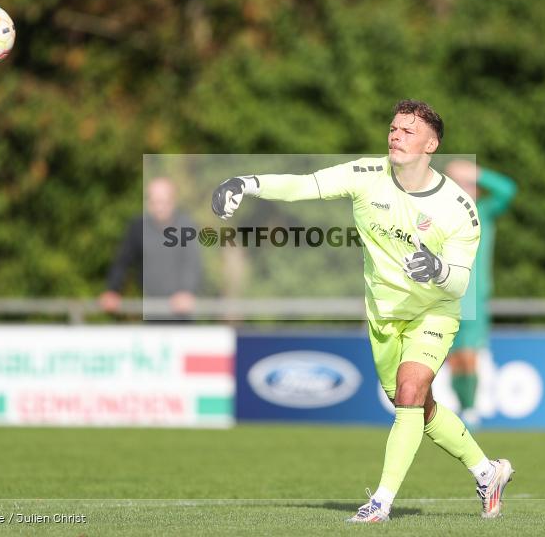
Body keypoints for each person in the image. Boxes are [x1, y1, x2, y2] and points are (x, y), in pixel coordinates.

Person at [211, 100, 513, 521]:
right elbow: (306, 185)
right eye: (393, 128)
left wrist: (439, 268)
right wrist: (247, 182)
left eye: (408, 131)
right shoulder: (367, 175)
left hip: (434, 314)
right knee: (416, 407)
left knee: (410, 393)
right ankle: (487, 471)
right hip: (383, 315)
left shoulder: (460, 207)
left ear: (432, 143)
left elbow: (461, 281)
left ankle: (380, 503)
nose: (395, 135)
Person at [443, 160, 516, 426]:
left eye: (471, 185)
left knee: (470, 353)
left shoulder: (483, 211)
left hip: (475, 295)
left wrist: (477, 172)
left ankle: (471, 409)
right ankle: (461, 405)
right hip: (445, 295)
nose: (467, 189)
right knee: (451, 356)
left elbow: (508, 190)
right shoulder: (442, 214)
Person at [100, 178, 202, 319]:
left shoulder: (186, 226)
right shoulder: (138, 227)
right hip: (151, 310)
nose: (159, 207)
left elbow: (191, 262)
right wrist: (113, 290)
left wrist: (186, 291)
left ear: (173, 201)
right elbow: (122, 261)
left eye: (164, 202)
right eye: (155, 202)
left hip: (181, 311)